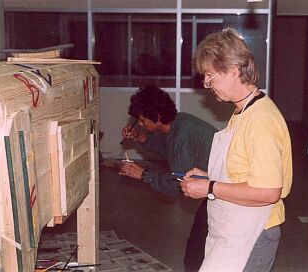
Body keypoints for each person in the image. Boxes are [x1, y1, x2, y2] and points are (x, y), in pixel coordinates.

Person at [180, 27, 293, 272]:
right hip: (237, 228)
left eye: (210, 76)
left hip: (254, 234)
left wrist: (209, 187)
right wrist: (209, 178)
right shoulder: (242, 112)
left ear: (233, 71)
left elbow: (268, 191)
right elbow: (245, 173)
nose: (207, 84)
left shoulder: (261, 120)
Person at [119, 84, 218, 272]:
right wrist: (141, 137)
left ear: (156, 117)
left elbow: (179, 185)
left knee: (196, 251)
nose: (139, 123)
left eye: (142, 120)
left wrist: (143, 174)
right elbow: (168, 149)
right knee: (198, 246)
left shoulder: (182, 134)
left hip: (223, 190)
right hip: (214, 185)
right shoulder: (178, 123)